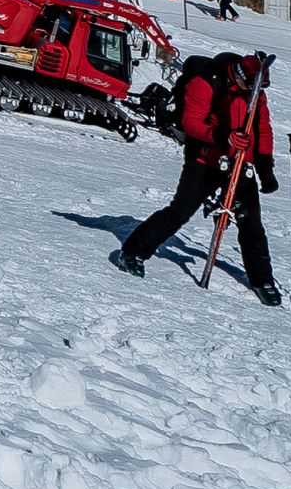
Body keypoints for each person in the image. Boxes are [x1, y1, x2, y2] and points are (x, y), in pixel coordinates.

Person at [112, 52, 282, 305]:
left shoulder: (255, 92)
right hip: (205, 159)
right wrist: (224, 137)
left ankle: (262, 280)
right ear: (239, 76)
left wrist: (265, 167)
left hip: (238, 162)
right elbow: (191, 122)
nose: (254, 91)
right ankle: (133, 252)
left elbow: (262, 128)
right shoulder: (205, 83)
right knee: (180, 211)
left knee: (251, 224)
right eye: (250, 86)